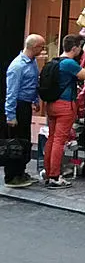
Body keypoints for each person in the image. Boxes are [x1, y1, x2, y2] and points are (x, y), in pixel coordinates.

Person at [45, 34, 85, 189]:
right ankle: (54, 176)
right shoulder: (69, 63)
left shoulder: (53, 62)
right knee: (59, 141)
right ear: (74, 48)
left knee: (52, 139)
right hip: (65, 105)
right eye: (80, 47)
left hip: (51, 104)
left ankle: (48, 173)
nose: (81, 50)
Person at [3, 34, 45, 188]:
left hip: (26, 105)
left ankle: (21, 172)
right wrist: (11, 115)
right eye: (41, 47)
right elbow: (11, 92)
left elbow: (32, 84)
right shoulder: (17, 66)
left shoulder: (32, 62)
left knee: (25, 141)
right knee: (15, 142)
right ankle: (12, 176)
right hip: (18, 106)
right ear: (34, 47)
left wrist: (35, 100)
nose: (43, 50)